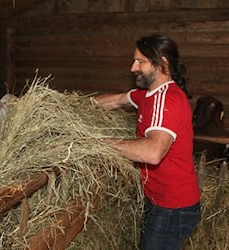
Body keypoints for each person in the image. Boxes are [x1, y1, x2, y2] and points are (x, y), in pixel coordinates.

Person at [91, 34, 200, 250]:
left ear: (163, 63)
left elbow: (153, 152)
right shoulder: (147, 94)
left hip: (172, 206)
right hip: (160, 200)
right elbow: (114, 100)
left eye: (140, 61)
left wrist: (100, 142)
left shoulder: (167, 100)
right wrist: (74, 105)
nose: (133, 67)